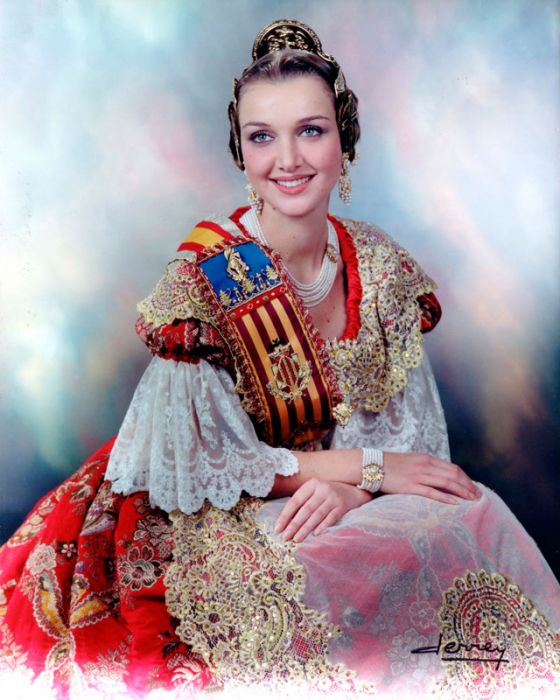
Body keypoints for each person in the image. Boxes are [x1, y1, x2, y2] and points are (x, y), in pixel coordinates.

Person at [1, 18, 559, 700]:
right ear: (240, 150)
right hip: (203, 509)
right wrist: (369, 470)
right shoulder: (204, 281)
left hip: (331, 494)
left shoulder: (379, 264)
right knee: (300, 576)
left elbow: (408, 444)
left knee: (475, 512)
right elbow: (208, 464)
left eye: (310, 131)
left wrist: (355, 489)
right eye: (262, 136)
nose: (287, 159)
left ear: (344, 141)